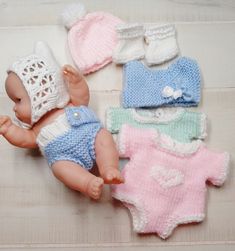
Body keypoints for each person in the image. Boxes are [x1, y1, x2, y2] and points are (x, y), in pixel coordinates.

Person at [0, 41, 123, 200]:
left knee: (104, 137)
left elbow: (82, 97)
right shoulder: (35, 130)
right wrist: (9, 130)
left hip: (90, 136)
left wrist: (76, 81)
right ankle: (87, 182)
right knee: (60, 169)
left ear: (39, 93)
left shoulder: (68, 103)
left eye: (18, 100)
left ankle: (109, 168)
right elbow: (24, 139)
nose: (14, 108)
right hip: (64, 157)